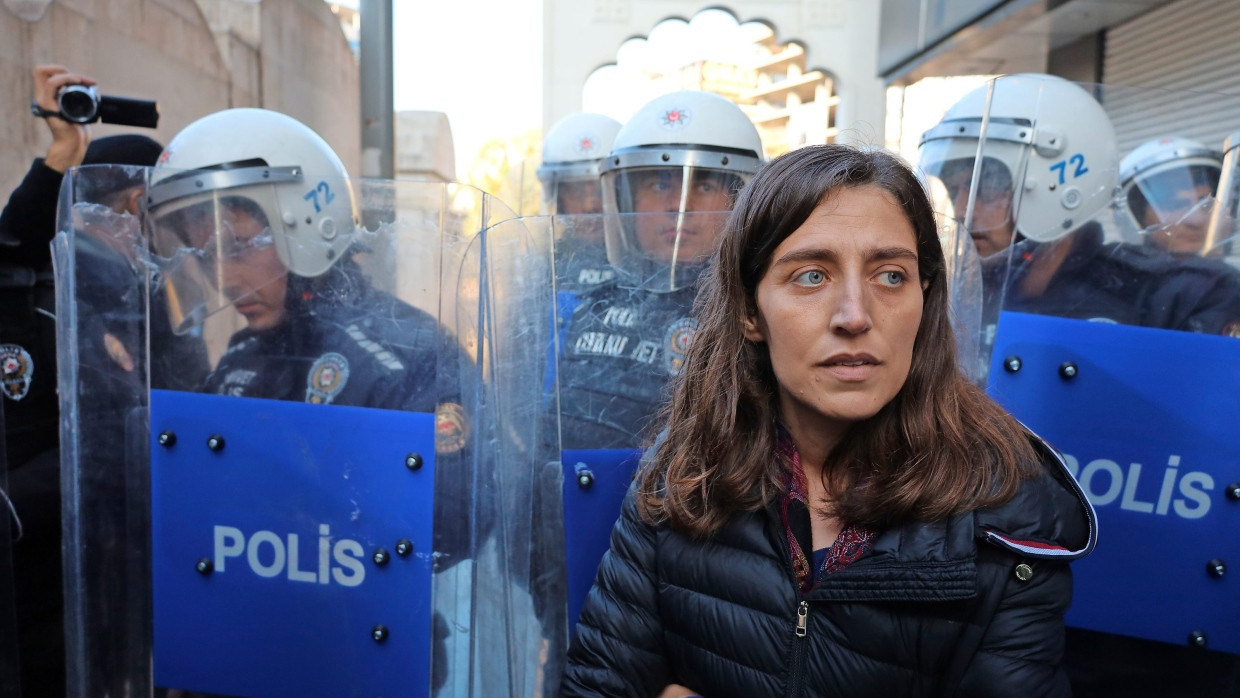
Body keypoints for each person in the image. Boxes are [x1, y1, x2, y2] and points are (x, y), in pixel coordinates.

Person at [561, 144, 1097, 696]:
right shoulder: (685, 472)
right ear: (750, 311)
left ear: (925, 295)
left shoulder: (1007, 511)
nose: (855, 316)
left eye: (890, 276)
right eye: (812, 276)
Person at [0, 63, 170, 698]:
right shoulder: (85, 277)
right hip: (44, 569)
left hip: (82, 568)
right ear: (136, 204)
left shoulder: (134, 287)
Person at [147, 107, 467, 421]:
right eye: (203, 256)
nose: (223, 279)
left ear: (310, 227)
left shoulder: (409, 358)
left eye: (237, 246)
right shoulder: (240, 360)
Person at [919, 73, 1240, 341]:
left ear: (1059, 184)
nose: (961, 210)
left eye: (985, 186)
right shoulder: (950, 292)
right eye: (954, 188)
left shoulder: (1178, 294)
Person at [554, 90, 763, 449]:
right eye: (660, 183)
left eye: (705, 184)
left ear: (741, 200)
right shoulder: (594, 309)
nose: (678, 205)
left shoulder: (758, 314)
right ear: (626, 198)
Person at [1117, 136, 1222, 257]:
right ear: (1138, 218)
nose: (1197, 221)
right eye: (1176, 205)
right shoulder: (1116, 275)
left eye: (1206, 203)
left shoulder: (1225, 273)